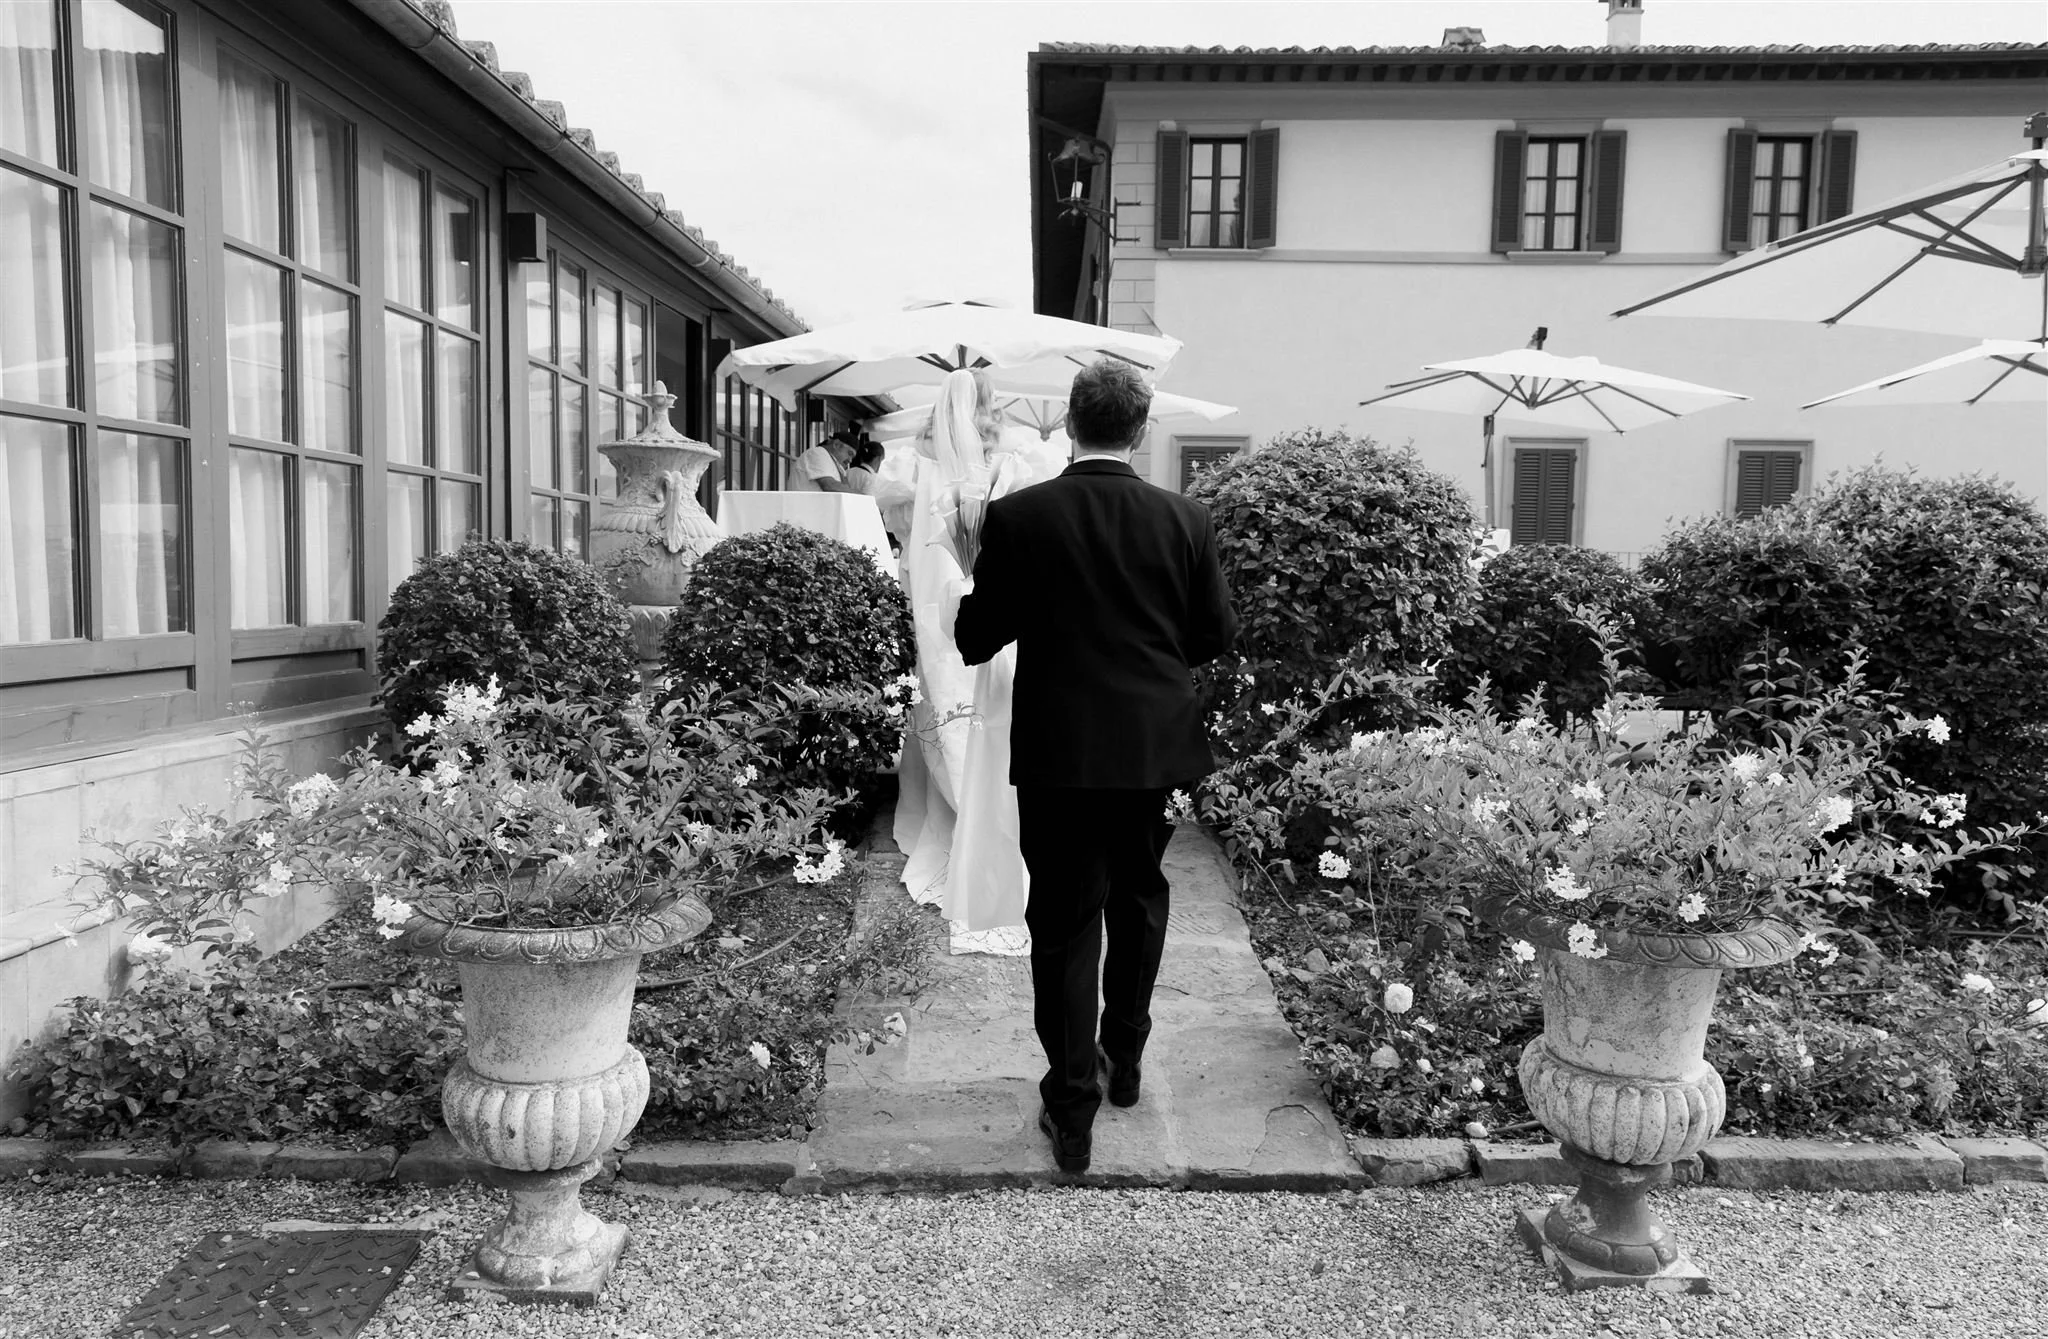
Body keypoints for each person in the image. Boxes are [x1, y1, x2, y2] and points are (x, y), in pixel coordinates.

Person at [953, 358, 1237, 1176]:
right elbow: (1214, 633)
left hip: (1061, 750)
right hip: (1153, 745)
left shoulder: (1019, 517)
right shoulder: (1186, 517)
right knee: (1140, 896)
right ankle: (1127, 1061)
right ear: (1140, 429)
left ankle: (1072, 1108)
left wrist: (975, 569)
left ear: (1072, 423)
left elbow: (976, 637)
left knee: (1065, 922)